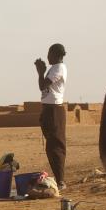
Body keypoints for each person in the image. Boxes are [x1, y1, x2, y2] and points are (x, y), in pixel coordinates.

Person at [34, 43, 67, 188]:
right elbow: (42, 86)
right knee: (51, 146)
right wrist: (41, 72)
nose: (47, 56)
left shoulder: (59, 68)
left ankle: (60, 181)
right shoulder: (53, 68)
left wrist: (40, 72)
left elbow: (42, 85)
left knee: (56, 146)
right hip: (48, 109)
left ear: (56, 55)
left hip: (54, 110)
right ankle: (59, 179)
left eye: (49, 53)